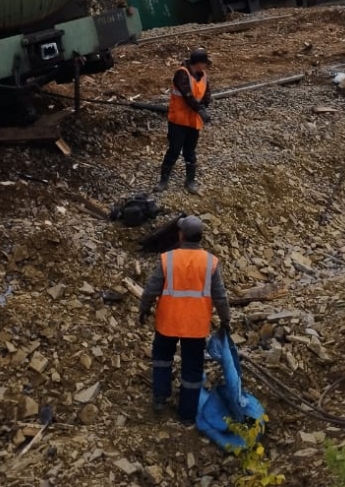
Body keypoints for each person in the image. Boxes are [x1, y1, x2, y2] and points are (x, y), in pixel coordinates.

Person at [138, 215, 231, 423]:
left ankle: (160, 398)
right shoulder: (210, 262)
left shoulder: (168, 259)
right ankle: (187, 414)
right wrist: (226, 320)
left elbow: (151, 289)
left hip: (168, 322)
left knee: (162, 359)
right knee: (192, 368)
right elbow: (220, 296)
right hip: (195, 327)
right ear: (200, 237)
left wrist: (143, 308)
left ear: (181, 235)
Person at [156, 48, 213, 194]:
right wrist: (200, 110)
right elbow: (187, 94)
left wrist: (204, 106)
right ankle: (163, 180)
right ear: (198, 63)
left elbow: (207, 94)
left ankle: (190, 180)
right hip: (178, 121)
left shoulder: (203, 76)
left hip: (193, 121)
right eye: (204, 63)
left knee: (190, 151)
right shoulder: (182, 74)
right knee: (174, 150)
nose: (206, 66)